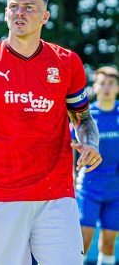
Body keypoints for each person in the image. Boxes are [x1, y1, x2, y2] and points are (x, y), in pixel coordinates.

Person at [0, 0, 101, 265]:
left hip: (57, 197)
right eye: (14, 7)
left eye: (29, 8)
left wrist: (90, 143)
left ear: (45, 17)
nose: (20, 13)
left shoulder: (67, 62)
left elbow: (83, 117)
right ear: (5, 14)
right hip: (0, 200)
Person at [77, 66, 119, 265]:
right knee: (83, 240)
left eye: (111, 83)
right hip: (89, 189)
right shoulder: (86, 117)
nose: (107, 87)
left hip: (116, 191)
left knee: (109, 243)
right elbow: (70, 150)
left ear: (117, 87)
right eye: (102, 83)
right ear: (95, 87)